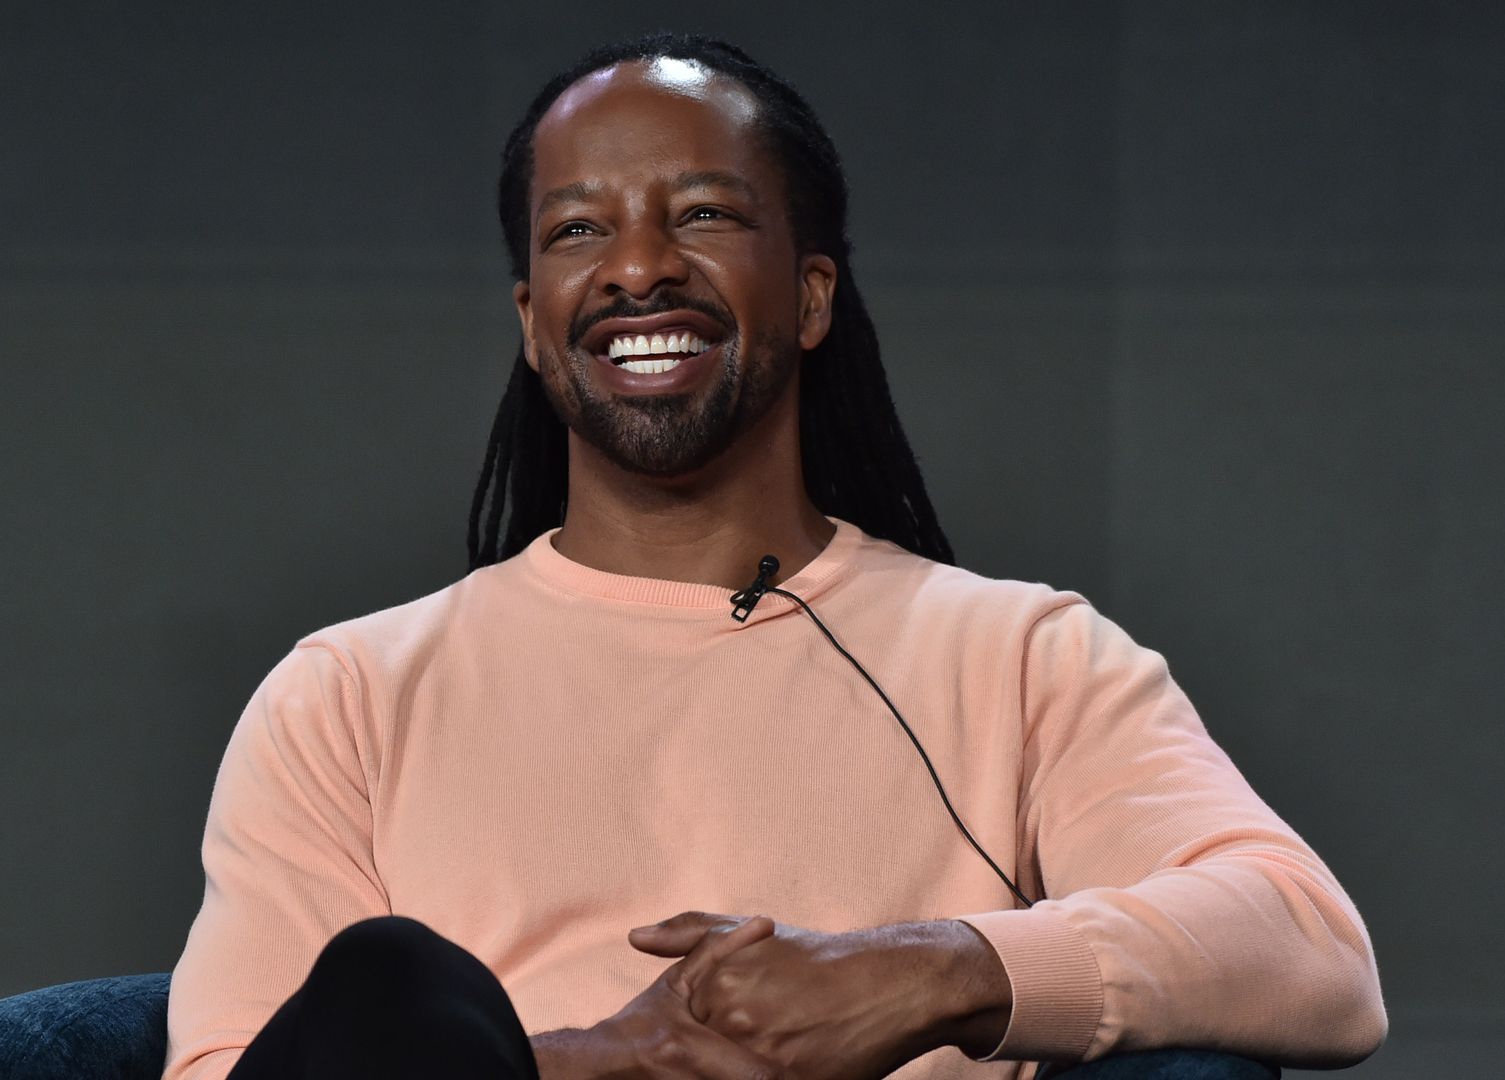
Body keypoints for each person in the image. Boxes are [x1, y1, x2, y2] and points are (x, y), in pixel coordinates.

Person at [162, 33, 1387, 1080]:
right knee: (388, 984)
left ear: (809, 299)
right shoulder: (348, 694)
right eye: (580, 228)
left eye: (702, 214)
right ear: (535, 328)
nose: (638, 267)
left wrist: (936, 970)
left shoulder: (1022, 655)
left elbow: (1310, 947)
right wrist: (607, 1058)